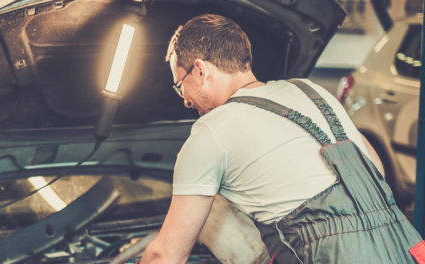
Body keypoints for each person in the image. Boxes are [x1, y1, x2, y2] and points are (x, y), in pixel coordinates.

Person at [139, 13, 424, 263]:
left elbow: (166, 256)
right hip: (403, 242)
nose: (186, 101)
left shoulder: (212, 129)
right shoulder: (312, 91)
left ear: (200, 70)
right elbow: (375, 167)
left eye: (180, 86)